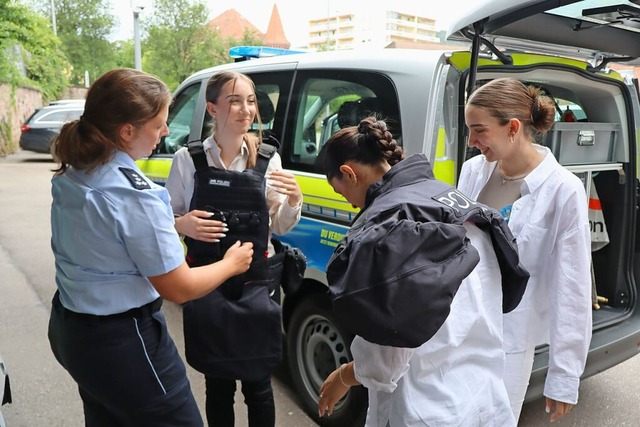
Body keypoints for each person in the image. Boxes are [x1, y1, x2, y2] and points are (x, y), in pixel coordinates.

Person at [48, 68, 254, 427]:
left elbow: (110, 236)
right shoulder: (136, 194)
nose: (164, 132)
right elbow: (179, 287)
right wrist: (232, 263)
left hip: (72, 328)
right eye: (159, 124)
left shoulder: (77, 170)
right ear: (127, 131)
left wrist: (174, 224)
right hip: (123, 341)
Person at [316, 116, 527, 426]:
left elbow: (385, 362)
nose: (350, 205)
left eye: (341, 192)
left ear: (349, 173)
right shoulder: (454, 199)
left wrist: (344, 376)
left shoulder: (387, 231)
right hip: (486, 397)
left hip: (427, 408)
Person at [165, 70, 302, 427]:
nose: (245, 110)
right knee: (218, 382)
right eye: (235, 100)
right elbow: (164, 220)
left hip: (257, 284)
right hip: (207, 283)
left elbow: (278, 226)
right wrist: (181, 224)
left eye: (251, 101)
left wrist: (294, 200)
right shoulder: (187, 159)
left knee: (259, 384)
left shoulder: (267, 159)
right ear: (212, 108)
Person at [457, 77, 592, 423]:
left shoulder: (563, 189)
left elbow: (572, 284)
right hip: (460, 327)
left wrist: (564, 375)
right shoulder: (473, 172)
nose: (471, 142)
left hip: (510, 341)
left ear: (513, 128)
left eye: (479, 130)